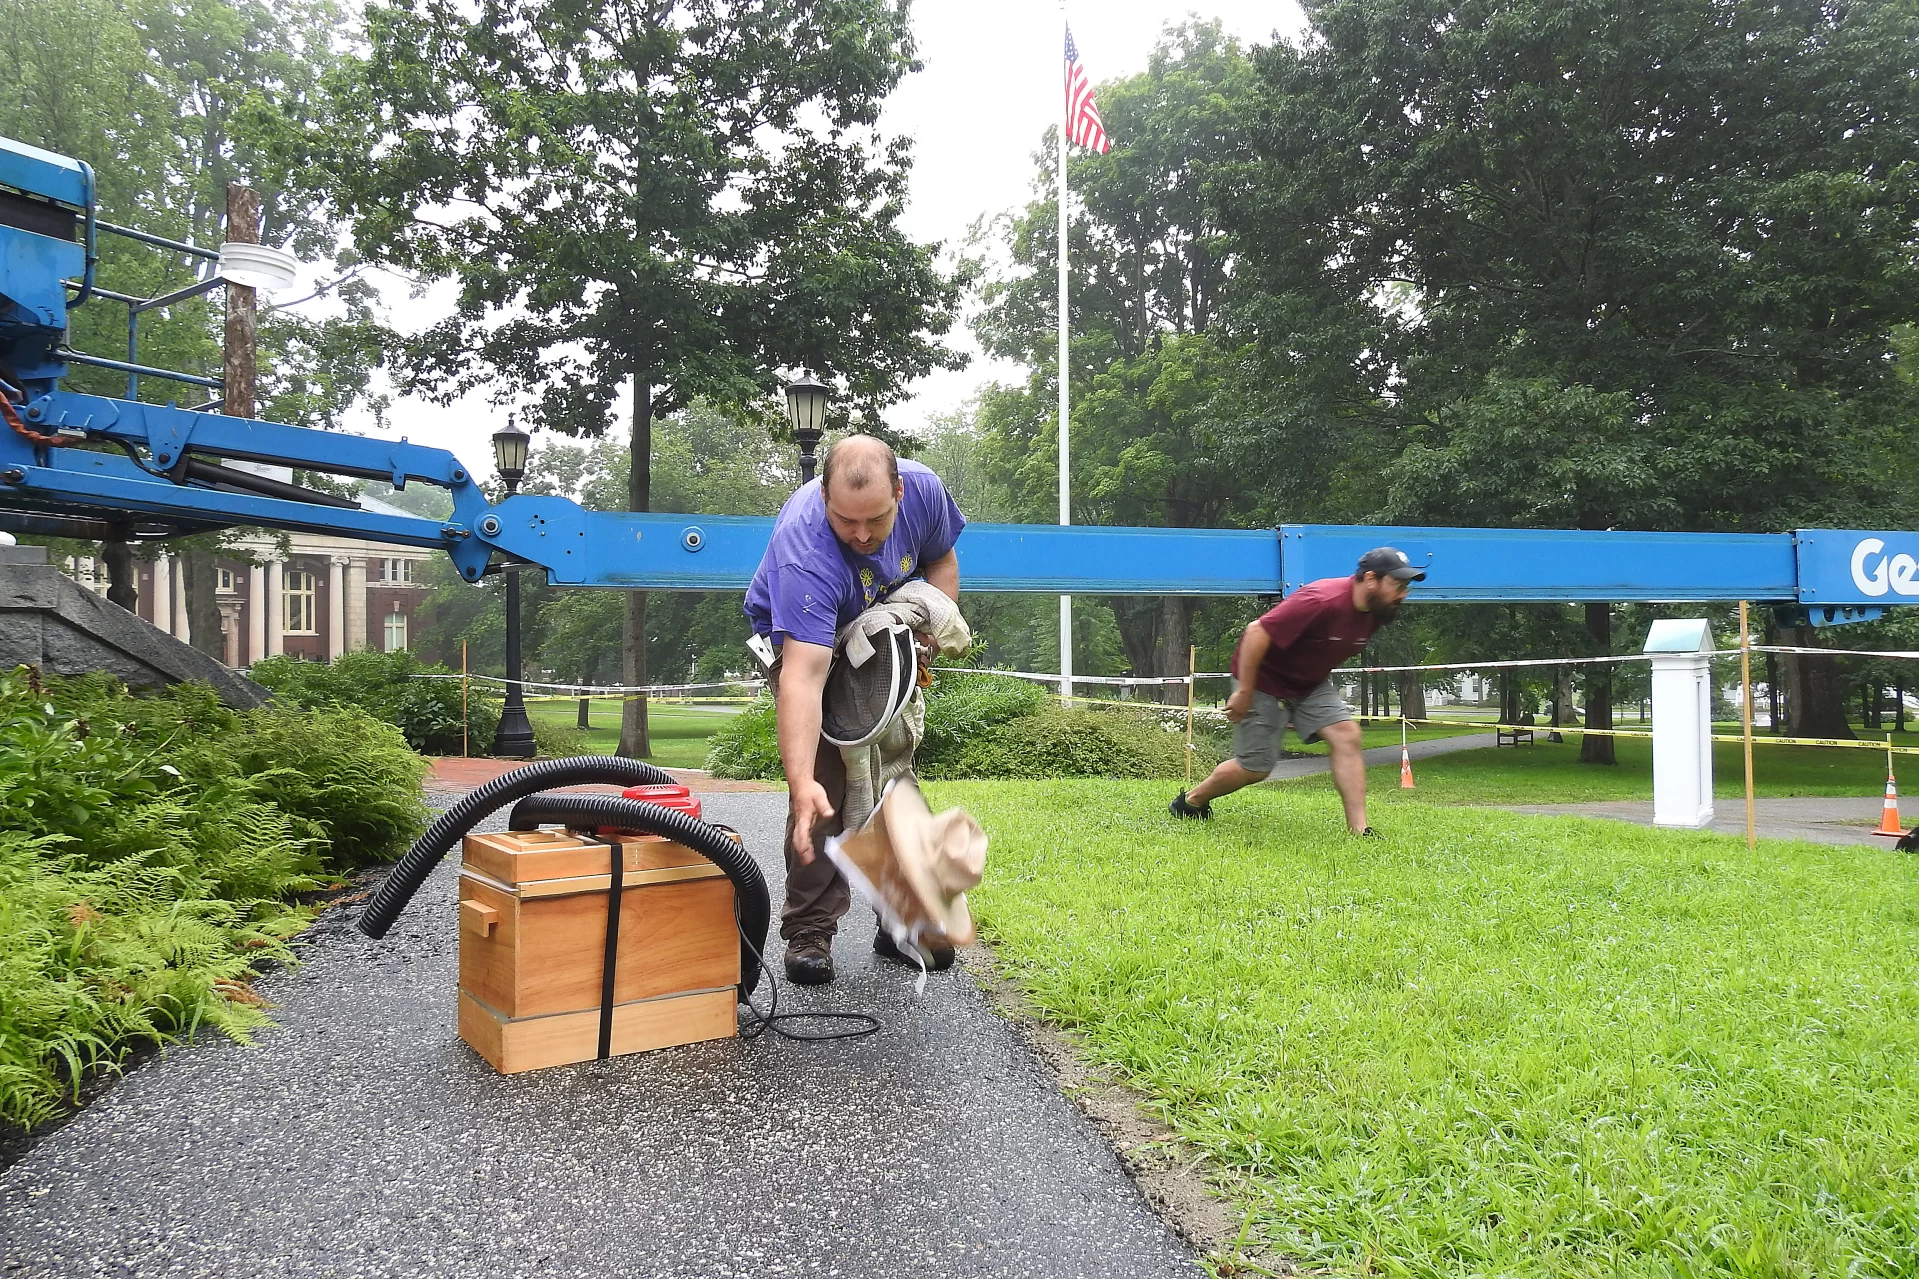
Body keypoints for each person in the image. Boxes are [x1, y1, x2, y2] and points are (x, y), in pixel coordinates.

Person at [744, 435, 965, 985]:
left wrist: (923, 642)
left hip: (883, 631)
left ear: (899, 491)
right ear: (823, 497)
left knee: (892, 772)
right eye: (847, 522)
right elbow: (804, 675)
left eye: (877, 520)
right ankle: (809, 930)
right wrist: (799, 782)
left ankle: (901, 917)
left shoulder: (927, 492)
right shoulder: (806, 551)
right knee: (828, 782)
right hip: (810, 643)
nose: (863, 536)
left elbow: (941, 564)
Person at [1170, 547, 1424, 833]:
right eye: (1398, 586)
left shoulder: (1378, 612)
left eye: (1406, 588)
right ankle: (1191, 801)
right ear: (1370, 579)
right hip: (1263, 680)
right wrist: (1244, 693)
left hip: (1309, 684)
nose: (1403, 594)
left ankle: (1360, 831)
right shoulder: (1321, 600)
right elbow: (1256, 632)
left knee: (1347, 735)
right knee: (1255, 768)